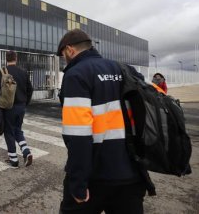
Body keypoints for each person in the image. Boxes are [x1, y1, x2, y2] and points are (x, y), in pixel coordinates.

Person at [57, 29, 146, 213]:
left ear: (70, 50)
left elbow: (78, 135)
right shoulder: (126, 69)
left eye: (63, 55)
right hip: (132, 174)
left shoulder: (76, 75)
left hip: (96, 177)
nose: (64, 59)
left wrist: (78, 183)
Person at [0, 51, 34, 168]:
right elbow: (30, 89)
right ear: (16, 58)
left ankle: (14, 160)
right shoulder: (23, 72)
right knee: (18, 129)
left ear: (6, 59)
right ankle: (26, 151)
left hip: (9, 107)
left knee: (9, 132)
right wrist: (24, 103)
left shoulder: (2, 71)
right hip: (21, 107)